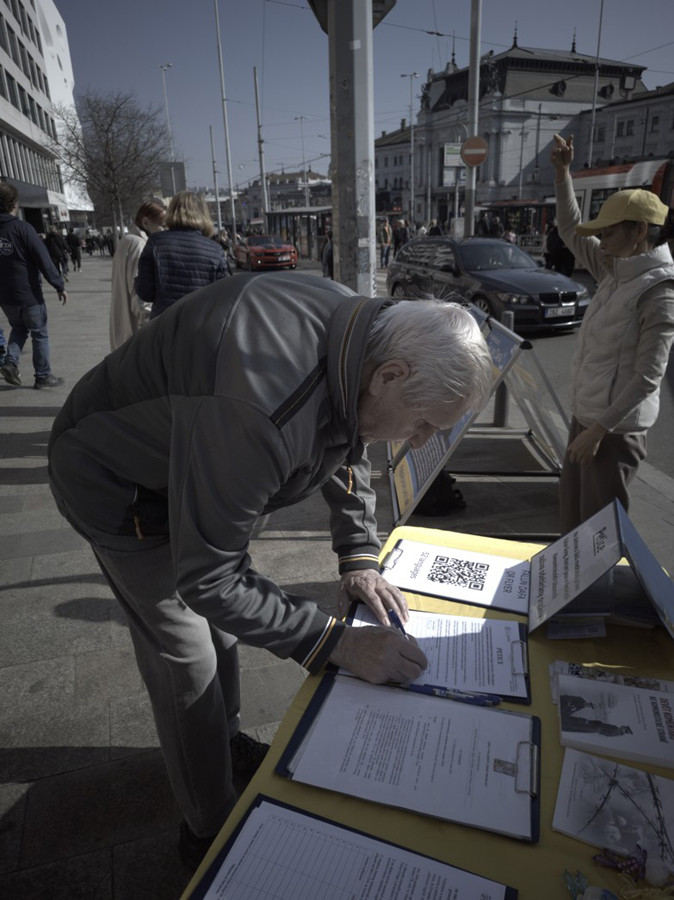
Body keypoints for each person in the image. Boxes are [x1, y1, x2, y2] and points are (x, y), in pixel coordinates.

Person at [47, 275, 493, 870]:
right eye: (425, 424)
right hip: (116, 485)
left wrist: (359, 553)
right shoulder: (257, 406)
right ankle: (207, 829)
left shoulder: (366, 339)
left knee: (225, 630)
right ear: (391, 376)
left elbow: (344, 432)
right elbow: (210, 578)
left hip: (195, 463)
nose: (418, 442)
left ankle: (224, 742)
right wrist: (334, 643)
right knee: (187, 655)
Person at [551, 133, 674, 532]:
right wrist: (563, 172)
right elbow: (571, 229)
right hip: (586, 420)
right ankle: (568, 595)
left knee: (597, 536)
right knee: (572, 522)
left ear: (639, 231)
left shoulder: (659, 291)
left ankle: (596, 596)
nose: (600, 242)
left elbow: (647, 378)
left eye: (608, 232)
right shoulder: (614, 267)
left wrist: (599, 431)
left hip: (614, 432)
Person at [0, 181, 67, 389]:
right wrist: (59, 284)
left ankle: (10, 362)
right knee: (39, 333)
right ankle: (43, 375)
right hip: (28, 293)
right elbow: (43, 258)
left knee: (18, 328)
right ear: (14, 204)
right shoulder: (22, 228)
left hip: (5, 296)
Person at [135, 190, 230, 319]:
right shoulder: (215, 250)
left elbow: (145, 293)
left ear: (171, 211)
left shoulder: (155, 242)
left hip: (164, 326)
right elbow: (224, 296)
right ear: (203, 214)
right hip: (200, 326)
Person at [109, 199, 166, 351]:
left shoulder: (127, 241)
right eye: (163, 225)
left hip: (124, 330)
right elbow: (139, 295)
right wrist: (152, 328)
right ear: (146, 222)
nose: (165, 230)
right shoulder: (139, 245)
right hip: (134, 333)